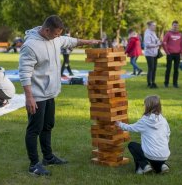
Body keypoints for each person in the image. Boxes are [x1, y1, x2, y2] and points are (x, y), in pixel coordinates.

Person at [19, 15, 101, 176]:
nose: (58, 37)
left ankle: (48, 157)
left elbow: (70, 41)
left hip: (50, 93)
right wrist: (29, 97)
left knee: (48, 126)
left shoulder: (55, 38)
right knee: (34, 129)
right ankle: (34, 165)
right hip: (36, 96)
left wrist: (88, 42)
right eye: (56, 34)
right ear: (46, 29)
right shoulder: (30, 46)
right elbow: (24, 73)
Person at [116, 95, 170, 174]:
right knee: (155, 156)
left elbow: (131, 128)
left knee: (132, 145)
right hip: (164, 155)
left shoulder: (144, 121)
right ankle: (161, 165)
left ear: (147, 106)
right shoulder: (163, 120)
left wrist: (119, 124)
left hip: (151, 155)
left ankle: (144, 166)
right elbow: (168, 134)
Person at [162, 20, 182, 88]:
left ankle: (175, 83)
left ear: (178, 26)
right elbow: (164, 43)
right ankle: (166, 83)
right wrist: (167, 52)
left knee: (176, 69)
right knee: (168, 69)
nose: (175, 27)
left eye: (176, 25)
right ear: (172, 26)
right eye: (174, 25)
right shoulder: (168, 33)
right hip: (170, 54)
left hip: (177, 54)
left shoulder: (180, 34)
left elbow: (181, 44)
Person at [144, 21, 161, 89]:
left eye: (155, 25)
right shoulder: (147, 34)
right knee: (151, 68)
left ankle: (153, 82)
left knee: (154, 68)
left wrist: (158, 41)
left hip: (154, 53)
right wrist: (157, 44)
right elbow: (147, 45)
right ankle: (149, 83)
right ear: (149, 26)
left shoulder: (153, 33)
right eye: (153, 25)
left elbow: (156, 40)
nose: (155, 27)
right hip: (149, 54)